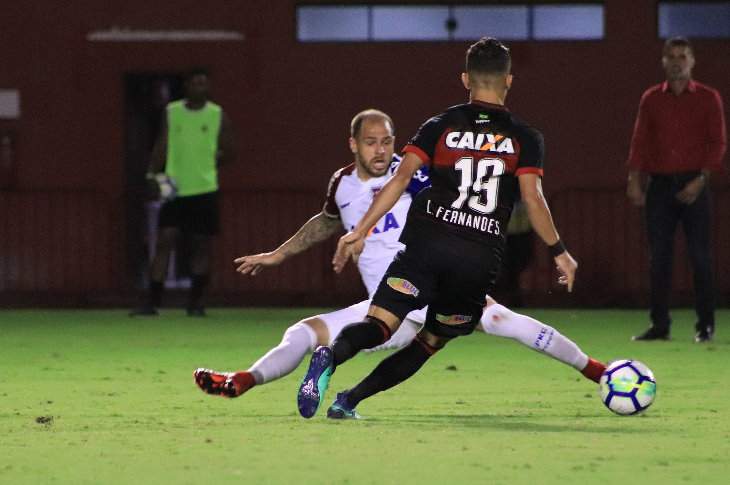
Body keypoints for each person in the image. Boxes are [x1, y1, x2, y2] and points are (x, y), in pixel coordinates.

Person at [193, 109, 604, 400]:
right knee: (303, 333)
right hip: (386, 307)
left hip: (428, 282)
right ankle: (243, 380)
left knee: (499, 319)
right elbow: (325, 221)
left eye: (387, 140)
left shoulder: (413, 173)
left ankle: (596, 370)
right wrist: (279, 255)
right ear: (353, 144)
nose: (380, 150)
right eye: (371, 142)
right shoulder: (342, 183)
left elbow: (453, 195)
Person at [295, 38, 587, 420]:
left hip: (425, 247)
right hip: (475, 259)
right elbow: (533, 199)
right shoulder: (525, 137)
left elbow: (399, 179)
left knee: (378, 324)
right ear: (509, 80)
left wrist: (361, 229)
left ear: (465, 79)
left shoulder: (440, 125)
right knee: (428, 342)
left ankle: (330, 356)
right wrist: (559, 251)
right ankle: (348, 401)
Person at [627, 37, 726, 343]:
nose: (676, 62)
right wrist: (633, 179)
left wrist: (701, 179)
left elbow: (718, 142)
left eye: (682, 56)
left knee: (700, 258)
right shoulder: (651, 99)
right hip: (660, 186)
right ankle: (660, 325)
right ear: (663, 62)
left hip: (695, 183)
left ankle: (705, 326)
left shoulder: (708, 98)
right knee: (659, 258)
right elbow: (640, 140)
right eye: (671, 57)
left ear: (692, 61)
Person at [131, 68, 235, 317]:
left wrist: (208, 165)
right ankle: (152, 302)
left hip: (205, 189)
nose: (200, 87)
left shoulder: (217, 114)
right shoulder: (172, 112)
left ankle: (196, 303)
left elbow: (229, 150)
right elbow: (162, 144)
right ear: (186, 86)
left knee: (200, 245)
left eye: (204, 83)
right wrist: (152, 174)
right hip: (175, 190)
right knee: (165, 241)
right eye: (196, 83)